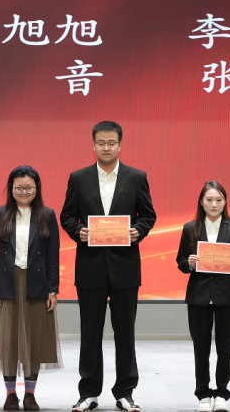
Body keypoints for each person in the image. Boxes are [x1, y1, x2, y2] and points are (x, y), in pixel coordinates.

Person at [59, 121, 156, 412]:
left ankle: (125, 392)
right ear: (93, 145)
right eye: (101, 142)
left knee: (125, 333)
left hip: (125, 267)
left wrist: (138, 230)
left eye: (111, 143)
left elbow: (148, 215)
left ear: (120, 145)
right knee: (90, 332)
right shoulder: (79, 178)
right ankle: (89, 392)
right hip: (90, 267)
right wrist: (78, 231)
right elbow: (67, 216)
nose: (106, 147)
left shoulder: (136, 177)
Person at [0, 166, 63, 411]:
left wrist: (53, 289)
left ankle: (30, 394)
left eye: (29, 187)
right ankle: (10, 394)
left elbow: (53, 256)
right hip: (6, 283)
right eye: (19, 188)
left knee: (34, 339)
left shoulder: (48, 215)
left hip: (37, 283)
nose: (24, 192)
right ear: (11, 189)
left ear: (36, 188)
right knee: (7, 340)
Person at [175, 181, 230, 412]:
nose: (214, 204)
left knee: (225, 348)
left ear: (225, 202)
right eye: (209, 199)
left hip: (227, 296)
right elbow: (181, 262)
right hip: (198, 295)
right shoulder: (190, 228)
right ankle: (203, 395)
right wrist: (189, 263)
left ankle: (222, 394)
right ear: (201, 202)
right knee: (201, 349)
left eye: (218, 199)